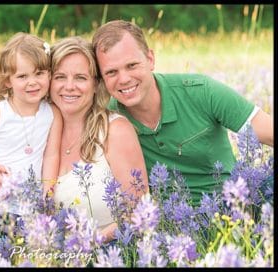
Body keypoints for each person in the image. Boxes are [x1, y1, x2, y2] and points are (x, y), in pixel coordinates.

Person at [92, 20, 274, 205]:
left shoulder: (202, 91)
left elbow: (269, 132)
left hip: (235, 204)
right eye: (111, 72)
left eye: (131, 65)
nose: (124, 79)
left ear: (150, 59)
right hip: (169, 224)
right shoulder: (107, 119)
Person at [48, 37, 148, 243]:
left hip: (110, 253)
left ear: (96, 84)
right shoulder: (38, 132)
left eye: (80, 78)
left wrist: (90, 243)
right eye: (60, 77)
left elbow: (139, 211)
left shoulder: (115, 130)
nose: (69, 86)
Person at [0, 33, 62, 199]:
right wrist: (0, 171)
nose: (32, 82)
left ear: (49, 74)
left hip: (29, 200)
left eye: (39, 73)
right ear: (8, 80)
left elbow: (51, 155)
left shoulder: (52, 114)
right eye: (22, 76)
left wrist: (49, 188)